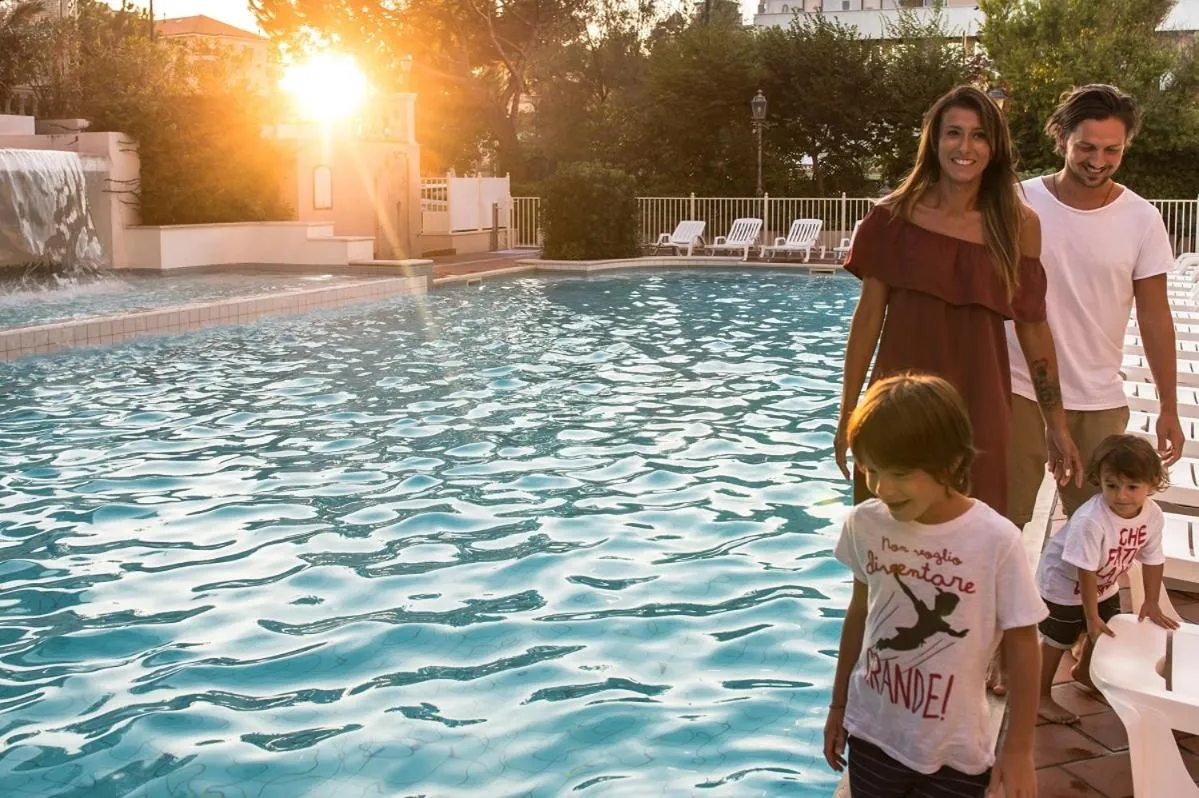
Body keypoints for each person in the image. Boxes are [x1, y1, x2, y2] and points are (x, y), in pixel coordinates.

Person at [836, 84, 1081, 522]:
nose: (965, 147)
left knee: (972, 538)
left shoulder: (1018, 225)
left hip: (979, 407)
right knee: (883, 534)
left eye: (979, 135)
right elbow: (868, 317)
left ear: (995, 147)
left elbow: (1033, 328)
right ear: (934, 141)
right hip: (895, 405)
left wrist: (1056, 424)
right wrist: (848, 412)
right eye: (953, 133)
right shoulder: (891, 218)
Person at [825, 373, 1044, 798]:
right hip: (873, 733)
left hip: (955, 749)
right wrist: (838, 706)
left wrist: (1019, 747)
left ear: (950, 463)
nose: (882, 488)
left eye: (901, 473)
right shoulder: (865, 523)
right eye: (871, 470)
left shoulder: (995, 540)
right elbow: (859, 610)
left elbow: (1022, 640)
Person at [1006, 84, 1184, 533]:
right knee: (1001, 522)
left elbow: (1155, 318)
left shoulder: (1141, 218)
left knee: (1101, 526)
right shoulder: (1018, 202)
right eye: (1086, 146)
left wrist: (1169, 406)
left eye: (1112, 149)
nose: (1098, 160)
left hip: (1097, 395)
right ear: (1062, 136)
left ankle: (1085, 607)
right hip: (1017, 386)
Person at [1035, 434, 1178, 724]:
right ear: (1098, 480)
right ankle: (1040, 695)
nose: (1121, 495)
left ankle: (1085, 672)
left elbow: (1152, 558)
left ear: (1151, 485)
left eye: (1132, 487)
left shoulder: (1152, 515)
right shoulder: (1092, 520)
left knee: (1105, 629)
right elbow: (1084, 570)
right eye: (1110, 485)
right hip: (1063, 584)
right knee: (1057, 639)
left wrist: (1151, 601)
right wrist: (1089, 615)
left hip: (1103, 583)